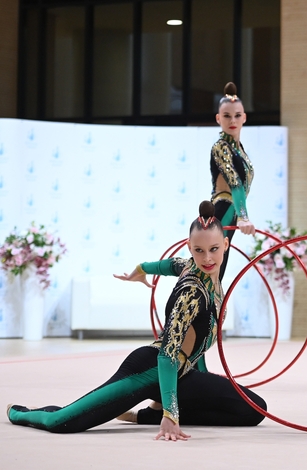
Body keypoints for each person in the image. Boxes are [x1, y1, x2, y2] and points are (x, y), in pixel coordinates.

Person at [6, 201, 267, 440]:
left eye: (213, 249)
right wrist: (171, 414)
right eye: (199, 250)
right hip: (149, 370)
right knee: (62, 422)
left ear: (226, 245)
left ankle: (146, 415)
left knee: (254, 411)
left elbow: (164, 266)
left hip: (182, 374)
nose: (207, 258)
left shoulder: (196, 269)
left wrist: (140, 270)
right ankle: (20, 412)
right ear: (190, 247)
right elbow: (167, 356)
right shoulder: (192, 291)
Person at [211, 82, 256, 280]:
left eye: (237, 115)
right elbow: (235, 184)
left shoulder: (240, 150)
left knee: (217, 270)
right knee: (211, 270)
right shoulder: (221, 147)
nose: (233, 120)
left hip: (232, 211)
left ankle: (213, 308)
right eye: (227, 116)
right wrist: (243, 216)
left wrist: (241, 215)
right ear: (218, 119)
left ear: (244, 117)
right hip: (223, 210)